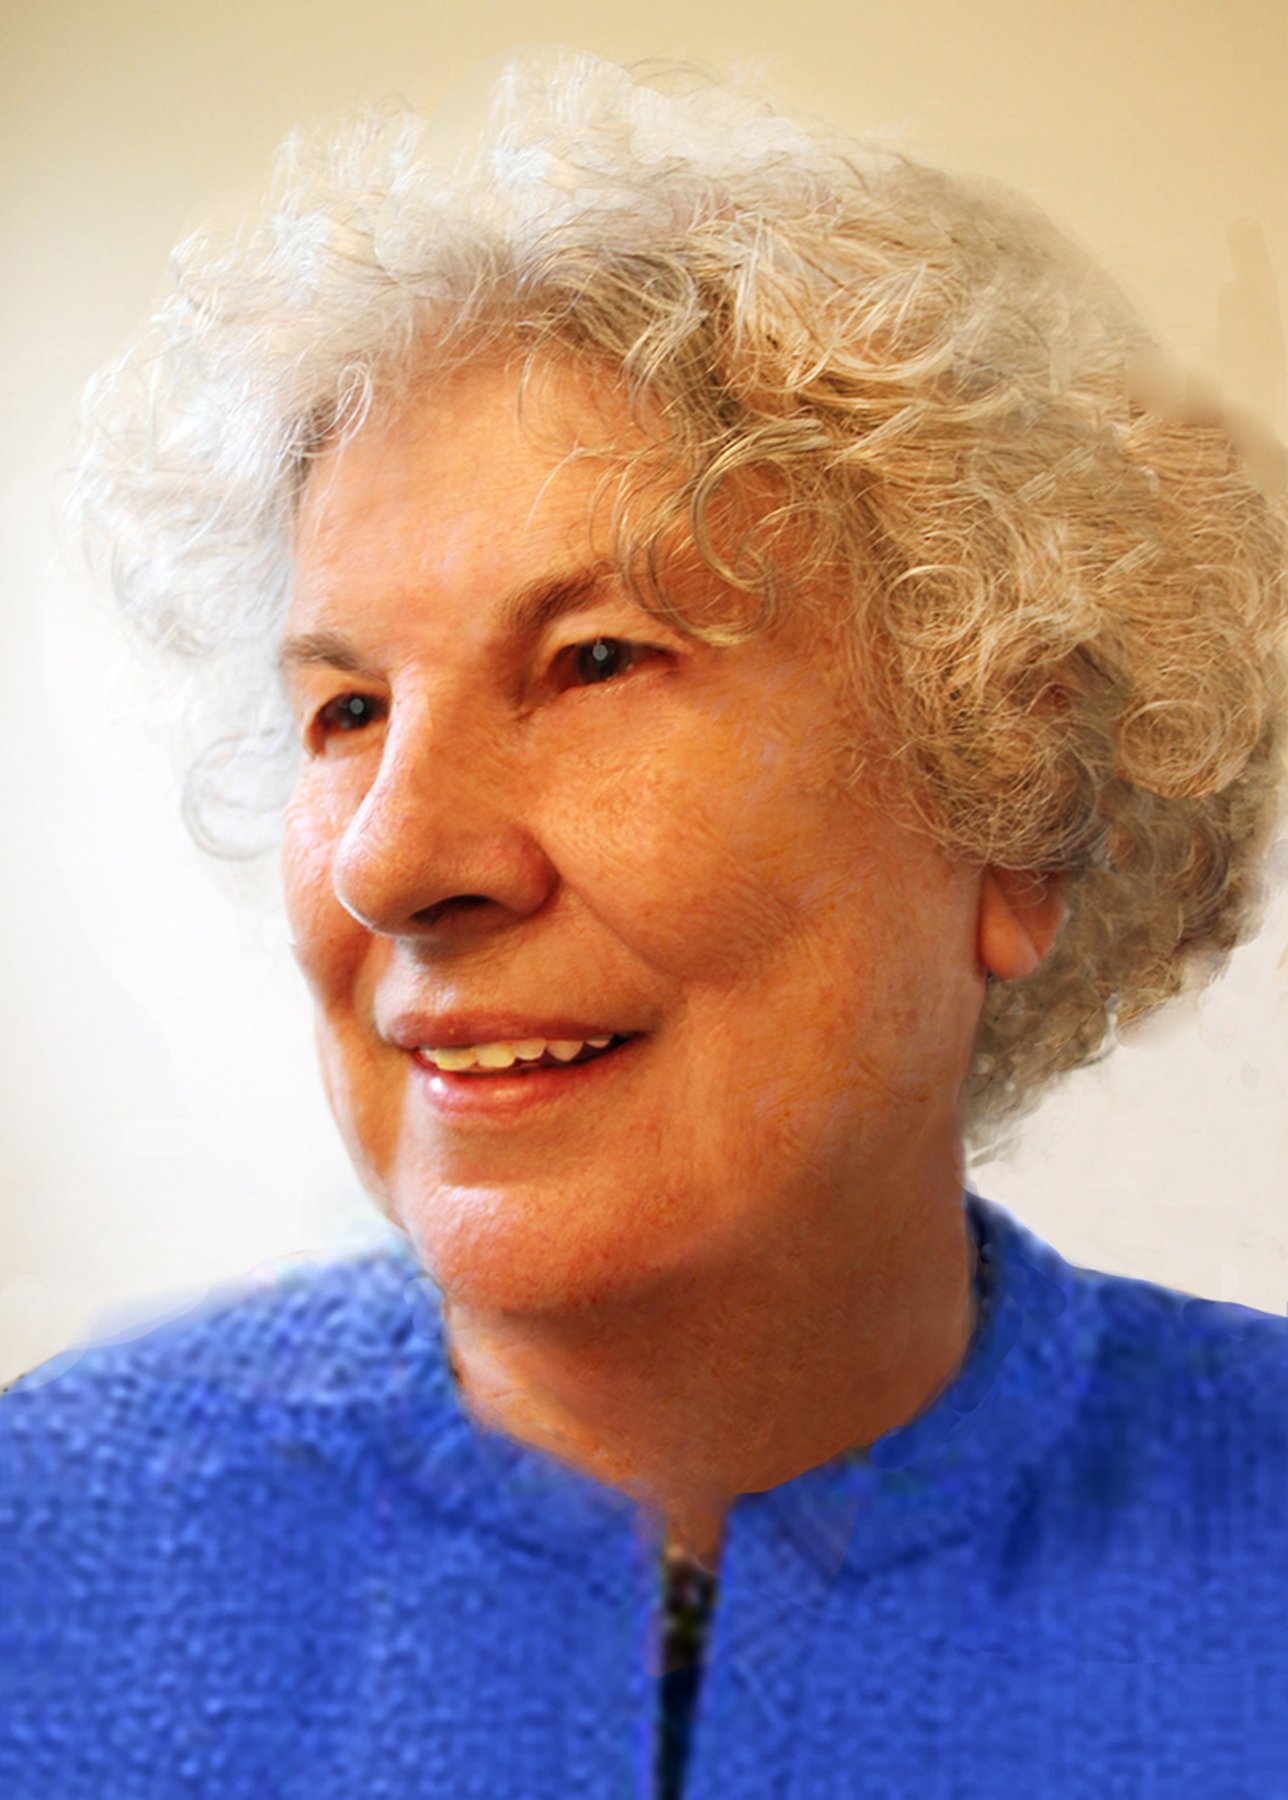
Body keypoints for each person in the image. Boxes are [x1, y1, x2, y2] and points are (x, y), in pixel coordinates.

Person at [2, 49, 1286, 1799]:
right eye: (346, 708)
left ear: (1020, 820)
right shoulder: (51, 1551)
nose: (395, 861)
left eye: (599, 658)